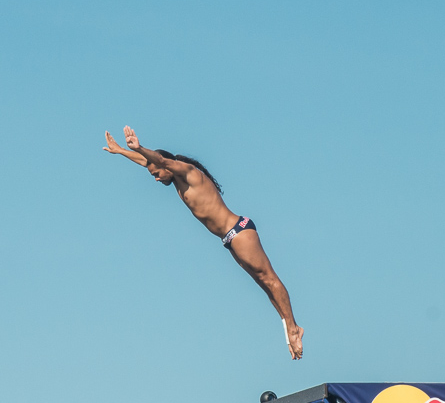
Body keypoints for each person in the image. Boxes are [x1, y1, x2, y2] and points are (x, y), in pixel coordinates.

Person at [103, 127, 304, 360]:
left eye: (156, 174)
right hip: (230, 239)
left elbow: (157, 160)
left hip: (239, 232)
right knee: (262, 284)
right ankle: (286, 326)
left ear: (166, 165)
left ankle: (293, 327)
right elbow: (149, 162)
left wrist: (139, 147)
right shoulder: (173, 177)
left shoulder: (188, 172)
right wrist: (121, 151)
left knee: (270, 279)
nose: (156, 178)